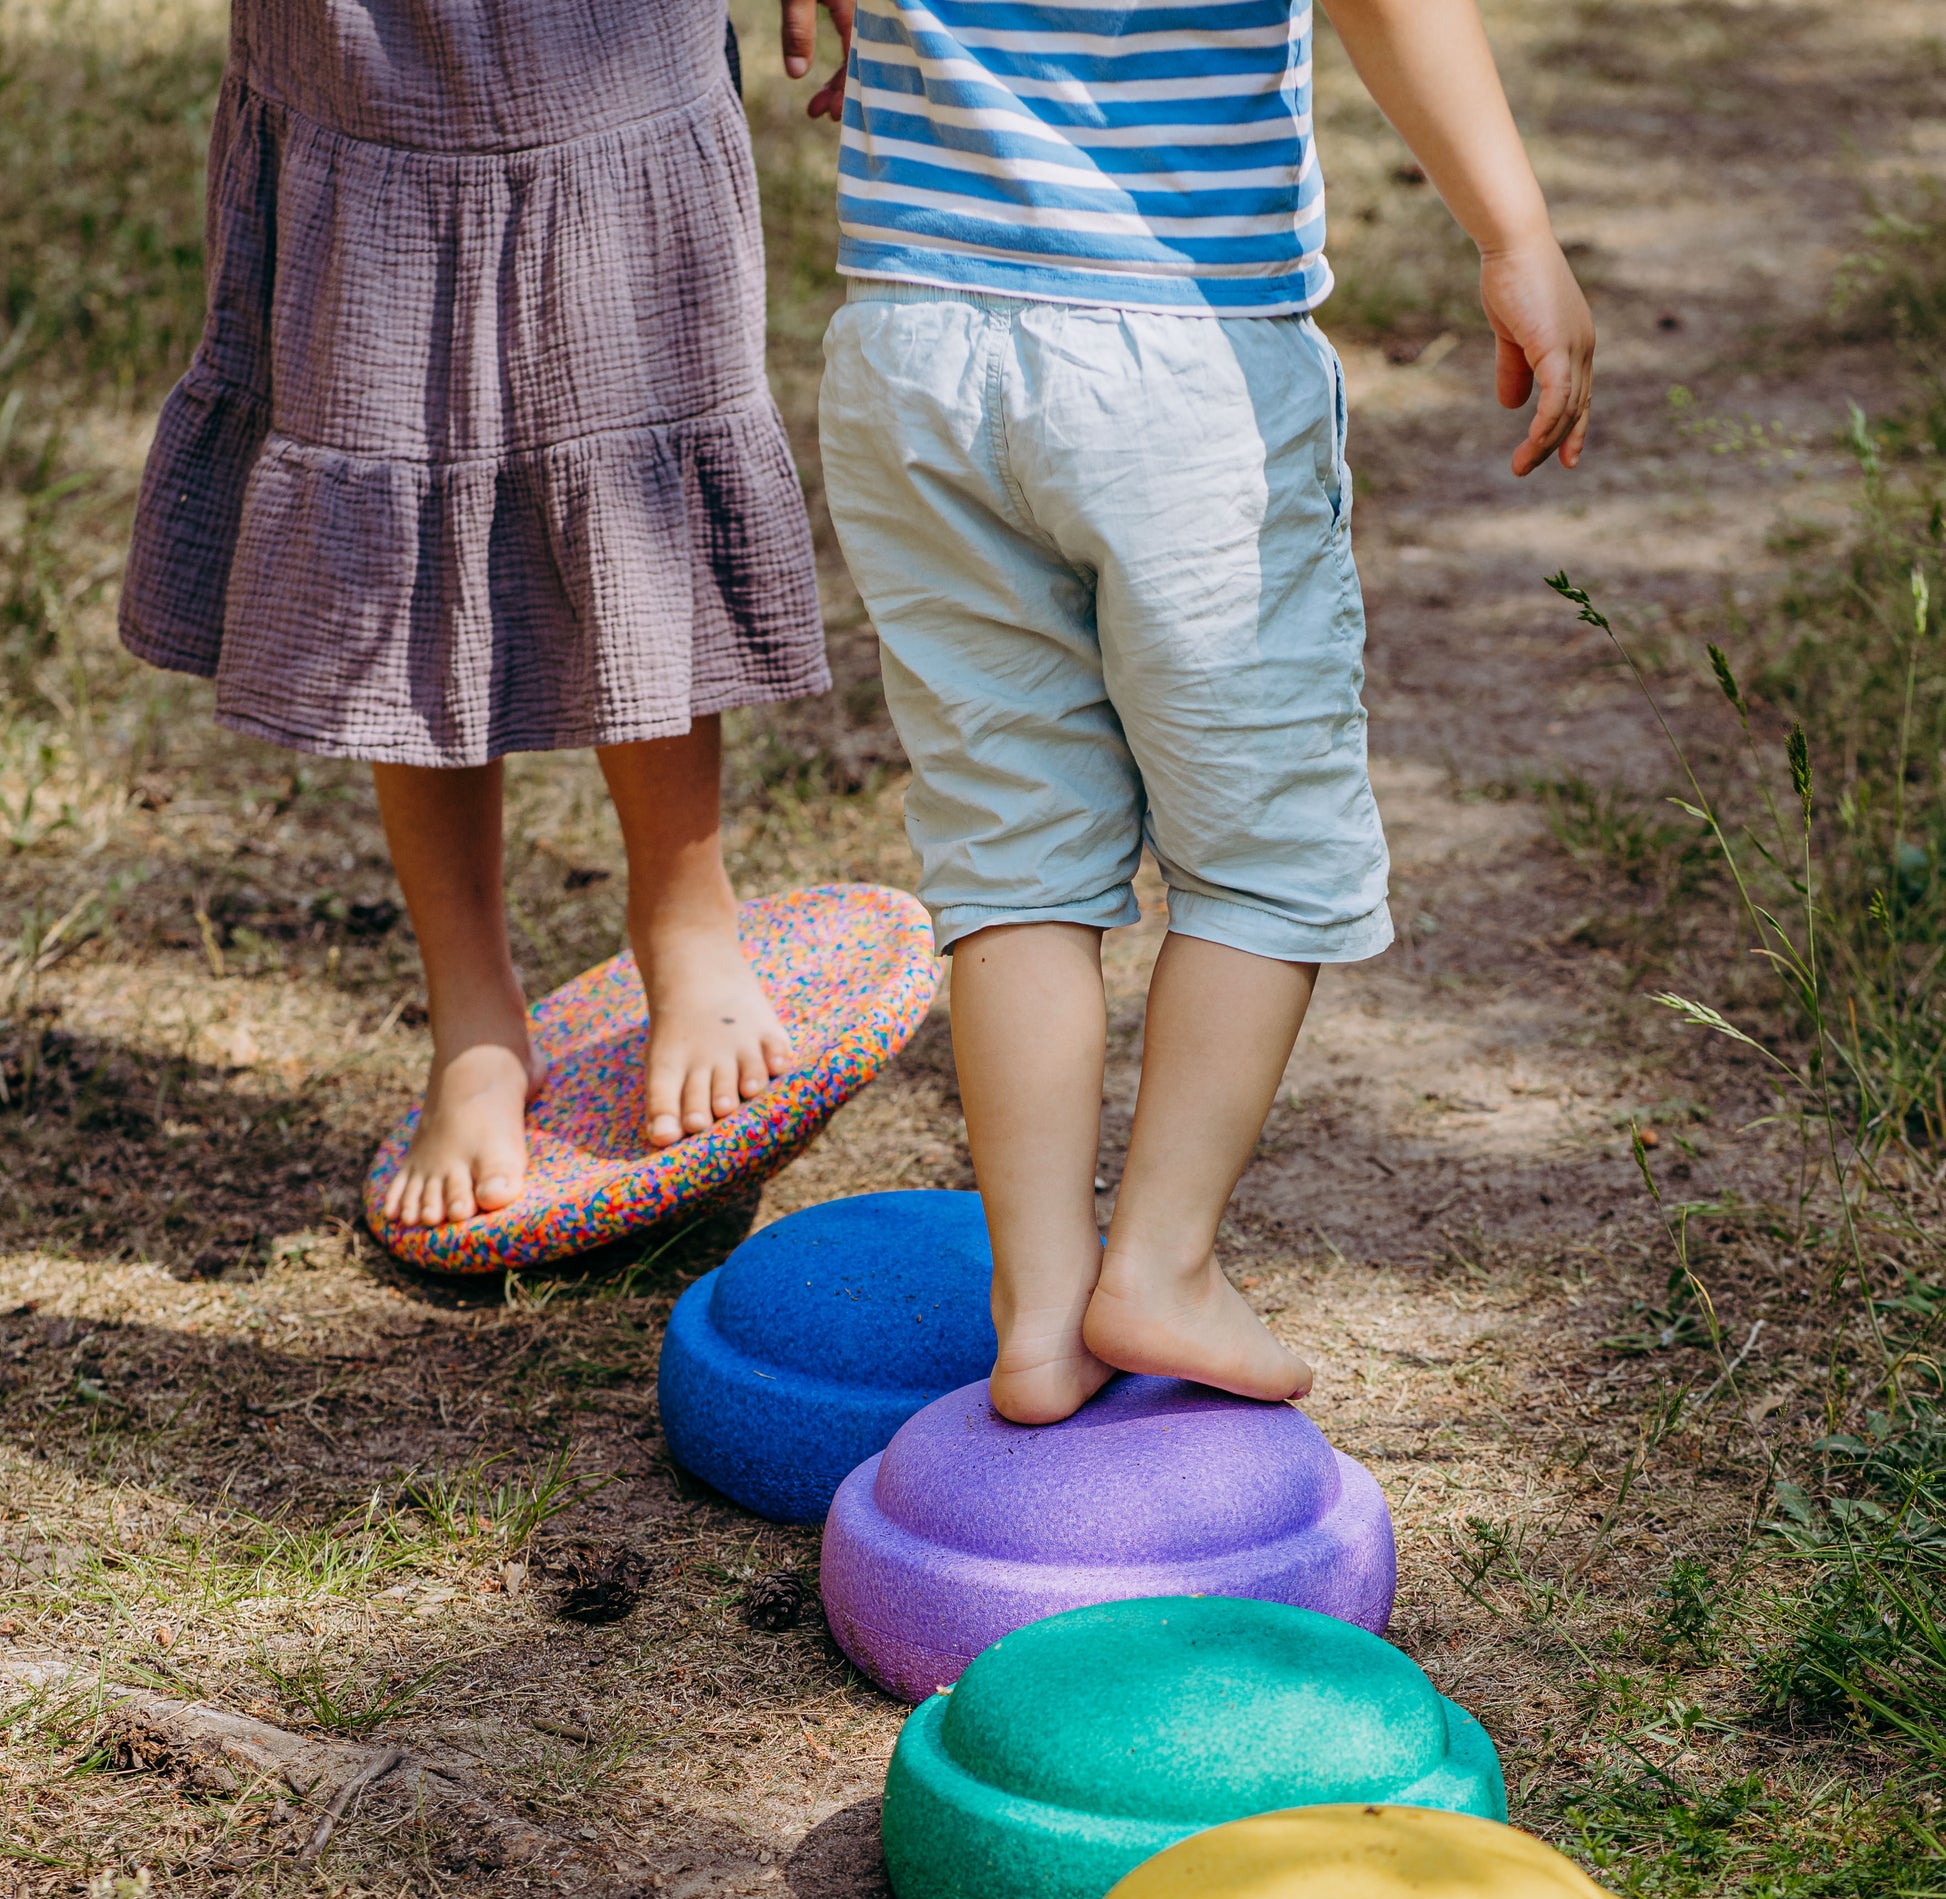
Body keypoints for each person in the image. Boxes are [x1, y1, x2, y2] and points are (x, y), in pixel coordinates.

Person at [789, 0, 1593, 1421]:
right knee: (1265, 856)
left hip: (911, 344)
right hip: (1176, 352)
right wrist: (1512, 231)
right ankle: (1157, 1264)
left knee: (1011, 844)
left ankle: (1038, 1309)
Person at [120, 1, 830, 1229]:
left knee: (633, 440)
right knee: (392, 457)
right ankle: (471, 1008)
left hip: (609, 52)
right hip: (360, 59)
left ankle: (684, 917)